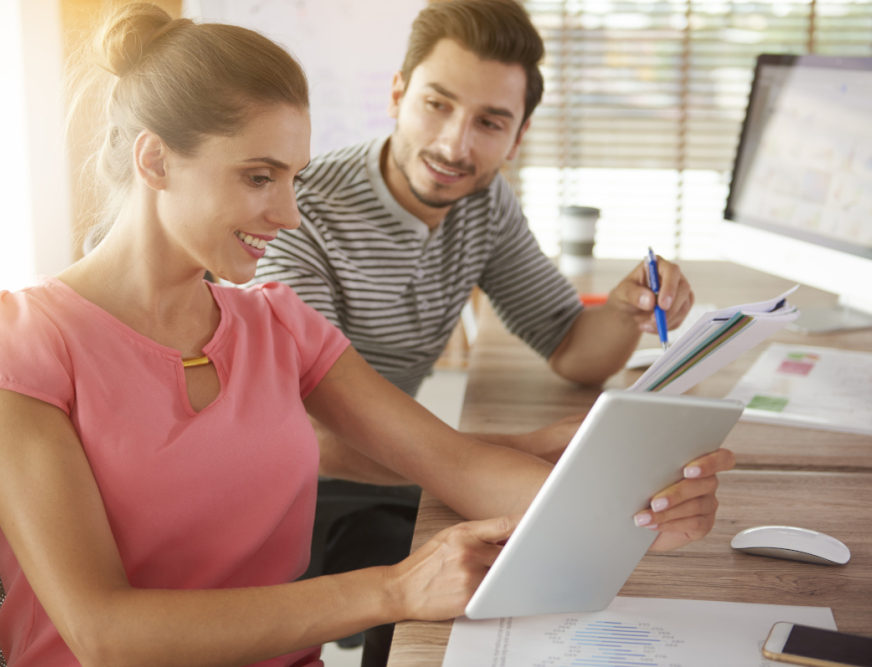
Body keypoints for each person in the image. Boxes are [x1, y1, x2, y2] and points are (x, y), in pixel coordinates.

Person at [0, 5, 734, 667]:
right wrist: (394, 587)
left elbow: (451, 462)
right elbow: (104, 632)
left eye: (293, 176)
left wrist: (640, 511)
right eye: (260, 176)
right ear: (154, 160)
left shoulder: (277, 321)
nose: (288, 213)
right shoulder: (18, 337)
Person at [251, 2, 698, 662]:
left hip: (393, 465)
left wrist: (629, 309)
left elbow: (574, 349)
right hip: (291, 494)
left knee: (545, 571)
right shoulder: (300, 214)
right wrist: (520, 446)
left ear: (516, 137)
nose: (456, 144)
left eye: (490, 122)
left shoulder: (483, 202)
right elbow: (309, 440)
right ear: (399, 93)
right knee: (490, 573)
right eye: (437, 104)